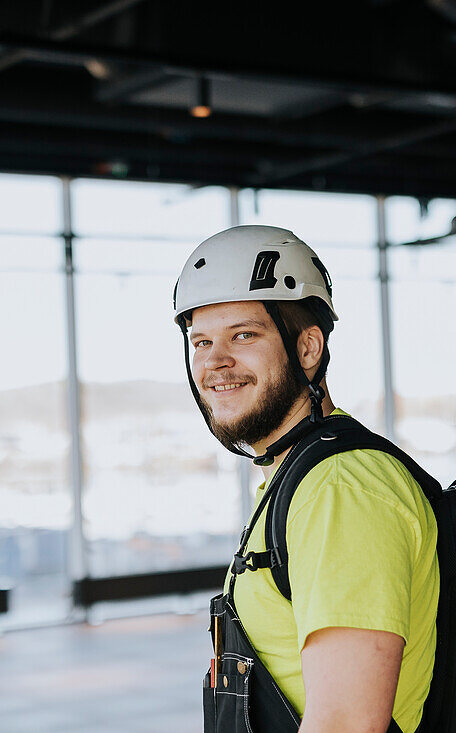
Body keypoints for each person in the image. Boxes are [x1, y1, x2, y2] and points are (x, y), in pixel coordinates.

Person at [173, 225, 440, 733]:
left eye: (244, 335)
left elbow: (346, 723)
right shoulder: (299, 475)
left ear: (308, 348)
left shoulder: (339, 490)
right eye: (201, 341)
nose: (215, 361)